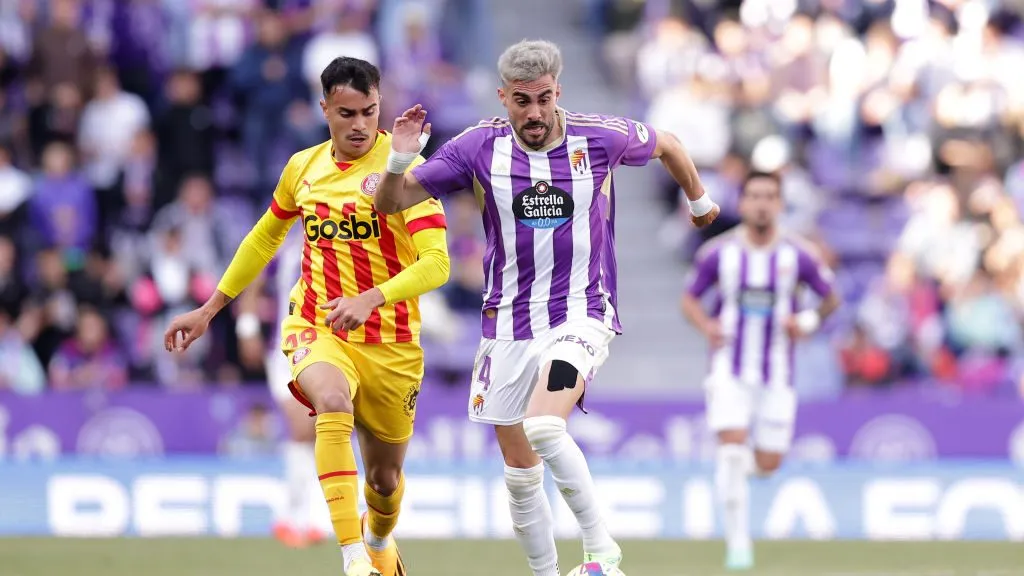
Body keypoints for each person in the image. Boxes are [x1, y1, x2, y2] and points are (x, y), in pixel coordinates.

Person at [373, 39, 720, 576]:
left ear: (558, 91)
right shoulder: (477, 146)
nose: (533, 113)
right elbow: (391, 202)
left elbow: (670, 144)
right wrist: (397, 157)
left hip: (582, 310)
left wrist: (699, 203)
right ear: (502, 97)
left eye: (542, 99)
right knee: (519, 470)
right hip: (508, 321)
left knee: (544, 429)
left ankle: (603, 552)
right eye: (521, 101)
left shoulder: (598, 136)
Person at [163, 56, 450, 576]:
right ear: (325, 109)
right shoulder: (302, 168)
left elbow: (437, 263)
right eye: (347, 113)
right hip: (317, 324)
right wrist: (211, 308)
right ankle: (352, 557)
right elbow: (265, 237)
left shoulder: (406, 170)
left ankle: (377, 537)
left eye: (369, 111)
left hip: (391, 342)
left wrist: (372, 298)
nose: (360, 124)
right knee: (331, 401)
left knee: (384, 483)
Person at [680, 170, 840, 571]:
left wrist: (806, 322)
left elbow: (830, 299)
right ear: (743, 203)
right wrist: (707, 326)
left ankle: (731, 475)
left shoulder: (798, 255)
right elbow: (690, 299)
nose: (763, 203)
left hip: (777, 375)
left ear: (780, 204)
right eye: (755, 196)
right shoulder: (719, 253)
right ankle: (738, 546)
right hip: (728, 369)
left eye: (770, 196)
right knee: (733, 450)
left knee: (767, 465)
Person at [263, 228, 328, 548]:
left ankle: (307, 517)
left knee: (322, 431)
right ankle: (290, 516)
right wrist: (246, 327)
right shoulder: (285, 248)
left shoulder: (342, 245)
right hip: (286, 349)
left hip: (326, 349)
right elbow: (254, 283)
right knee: (303, 429)